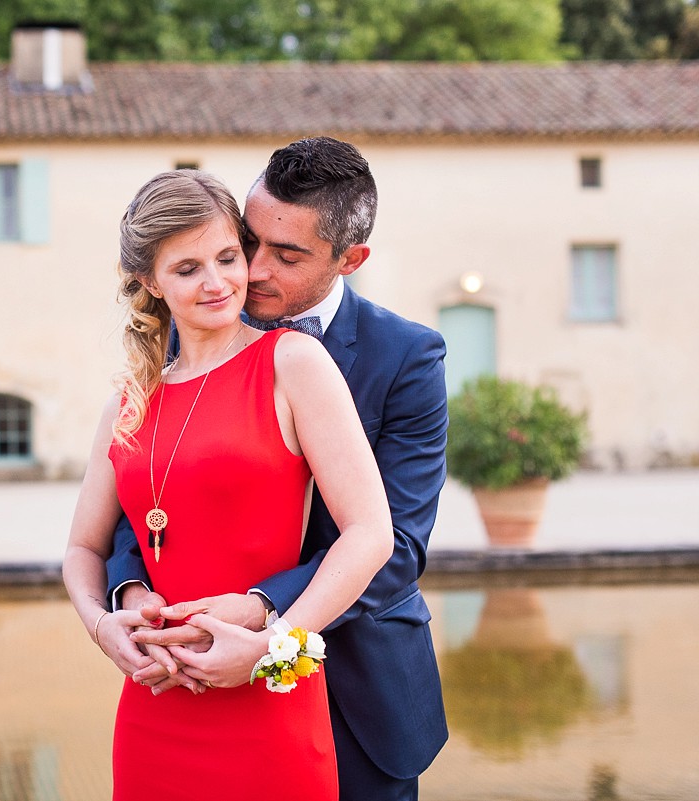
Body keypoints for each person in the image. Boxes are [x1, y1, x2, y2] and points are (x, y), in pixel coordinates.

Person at [103, 138, 450, 801]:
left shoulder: (406, 357)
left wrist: (263, 614)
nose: (251, 271)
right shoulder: (190, 330)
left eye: (286, 255)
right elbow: (143, 493)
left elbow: (396, 547)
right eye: (247, 240)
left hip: (360, 691)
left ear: (351, 259)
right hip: (204, 675)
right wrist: (126, 591)